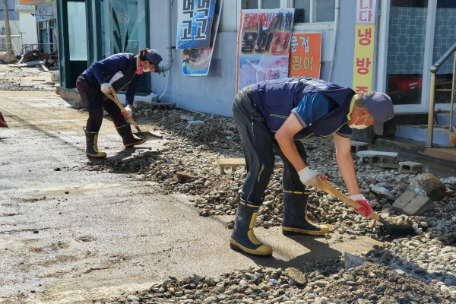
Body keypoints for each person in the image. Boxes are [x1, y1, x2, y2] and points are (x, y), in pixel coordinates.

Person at [230, 77, 395, 257]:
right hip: (252, 105)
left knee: (298, 159)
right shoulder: (322, 101)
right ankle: (240, 235)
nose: (368, 127)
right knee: (262, 165)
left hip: (275, 117)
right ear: (363, 114)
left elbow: (344, 155)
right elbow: (284, 136)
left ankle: (294, 222)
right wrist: (304, 171)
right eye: (372, 123)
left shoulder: (346, 116)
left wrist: (356, 196)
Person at [76, 48, 162, 158]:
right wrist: (102, 83)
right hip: (88, 83)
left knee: (117, 111)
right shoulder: (123, 60)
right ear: (146, 62)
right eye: (152, 67)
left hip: (107, 90)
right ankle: (91, 149)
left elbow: (131, 90)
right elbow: (96, 66)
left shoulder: (137, 71)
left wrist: (129, 106)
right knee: (96, 114)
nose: (152, 70)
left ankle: (128, 140)